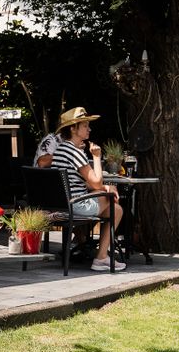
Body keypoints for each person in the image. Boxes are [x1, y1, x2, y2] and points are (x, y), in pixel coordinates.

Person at [50, 107, 126, 271]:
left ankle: (102, 257)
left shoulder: (61, 150)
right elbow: (97, 182)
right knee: (110, 198)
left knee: (117, 209)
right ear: (73, 128)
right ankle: (100, 258)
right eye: (85, 126)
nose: (89, 129)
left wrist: (103, 187)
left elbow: (76, 182)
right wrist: (97, 157)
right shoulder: (74, 151)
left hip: (64, 205)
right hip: (76, 206)